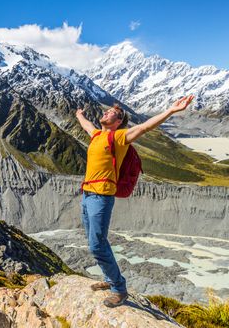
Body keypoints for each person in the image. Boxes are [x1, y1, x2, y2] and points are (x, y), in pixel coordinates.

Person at [75, 95, 194, 307]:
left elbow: (145, 127)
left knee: (96, 246)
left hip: (101, 197)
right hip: (87, 195)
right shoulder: (96, 135)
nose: (105, 112)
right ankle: (111, 279)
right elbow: (86, 126)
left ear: (119, 121)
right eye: (106, 111)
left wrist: (171, 110)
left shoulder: (119, 137)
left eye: (111, 112)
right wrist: (79, 115)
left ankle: (119, 290)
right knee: (97, 242)